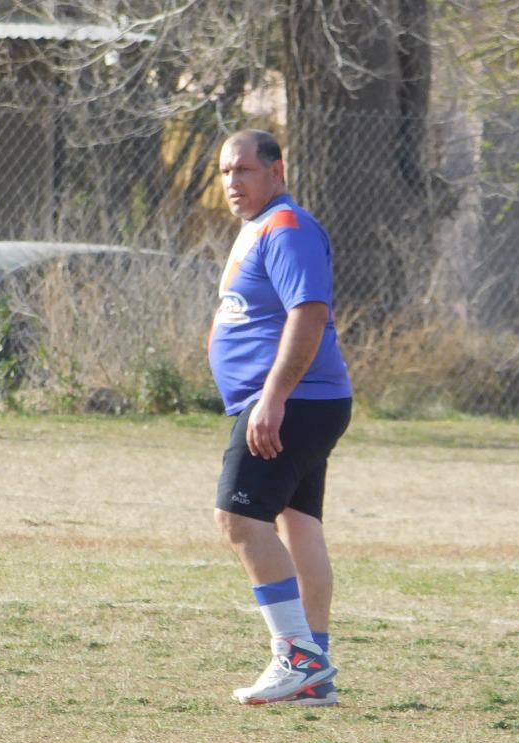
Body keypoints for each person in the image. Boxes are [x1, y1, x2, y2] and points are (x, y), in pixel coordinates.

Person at [209, 129, 353, 707]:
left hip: (292, 401)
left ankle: (296, 657)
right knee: (298, 526)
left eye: (243, 170)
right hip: (304, 400)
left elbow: (309, 313)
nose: (232, 182)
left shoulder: (286, 227)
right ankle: (313, 668)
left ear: (277, 170)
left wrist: (271, 398)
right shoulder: (260, 228)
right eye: (224, 172)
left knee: (238, 521)